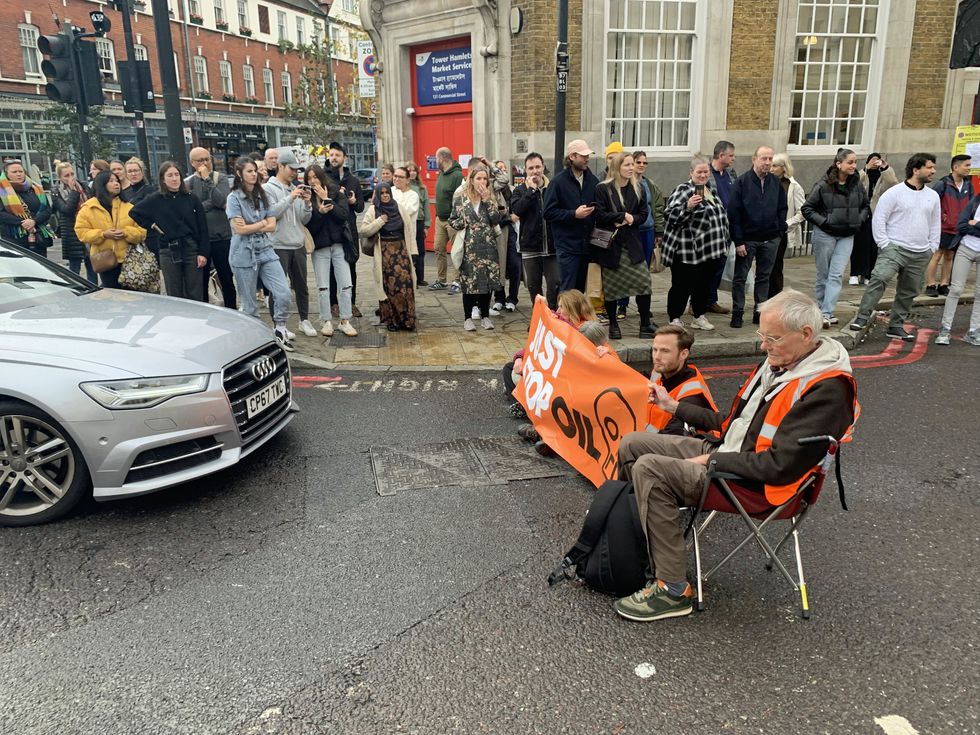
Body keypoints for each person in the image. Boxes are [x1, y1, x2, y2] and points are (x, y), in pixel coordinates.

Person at [614, 289, 857, 622]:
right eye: (762, 335)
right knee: (632, 443)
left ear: (806, 335)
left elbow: (779, 466)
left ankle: (672, 590)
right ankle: (645, 542)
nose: (762, 346)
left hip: (756, 486)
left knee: (650, 469)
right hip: (733, 456)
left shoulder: (827, 390)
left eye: (772, 337)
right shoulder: (782, 362)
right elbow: (732, 425)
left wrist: (711, 462)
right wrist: (674, 406)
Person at [848, 153, 941, 340]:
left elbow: (935, 223)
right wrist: (885, 244)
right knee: (880, 277)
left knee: (909, 291)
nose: (933, 171)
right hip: (894, 248)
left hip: (921, 252)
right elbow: (879, 219)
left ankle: (896, 325)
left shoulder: (933, 196)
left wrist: (932, 247)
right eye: (929, 167)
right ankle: (862, 316)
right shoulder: (894, 193)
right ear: (916, 170)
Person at [225, 158, 294, 352]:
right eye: (249, 171)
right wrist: (262, 224)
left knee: (283, 292)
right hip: (243, 254)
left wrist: (255, 225)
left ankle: (280, 329)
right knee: (249, 305)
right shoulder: (234, 198)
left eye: (255, 170)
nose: (254, 174)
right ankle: (253, 344)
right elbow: (239, 230)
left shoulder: (262, 194)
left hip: (265, 249)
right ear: (239, 174)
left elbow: (272, 225)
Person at [801, 148, 871, 328]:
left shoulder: (857, 184)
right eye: (850, 162)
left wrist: (858, 220)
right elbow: (807, 208)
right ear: (838, 164)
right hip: (825, 235)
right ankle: (820, 309)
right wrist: (824, 222)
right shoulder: (823, 185)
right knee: (823, 274)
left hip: (847, 236)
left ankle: (827, 312)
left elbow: (865, 206)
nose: (854, 166)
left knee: (836, 275)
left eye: (855, 162)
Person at [661, 155, 730, 332]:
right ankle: (675, 318)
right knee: (681, 286)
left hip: (710, 251)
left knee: (704, 286)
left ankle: (699, 316)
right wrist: (688, 206)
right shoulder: (684, 189)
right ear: (691, 172)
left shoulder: (710, 190)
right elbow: (671, 216)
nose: (702, 175)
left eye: (706, 171)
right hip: (687, 251)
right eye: (699, 171)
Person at [592, 151, 654, 340]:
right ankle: (614, 326)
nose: (631, 168)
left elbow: (644, 214)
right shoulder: (603, 188)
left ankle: (645, 325)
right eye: (627, 165)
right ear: (617, 167)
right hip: (612, 246)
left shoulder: (638, 188)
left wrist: (631, 219)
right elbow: (599, 215)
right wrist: (620, 216)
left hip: (633, 245)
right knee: (612, 288)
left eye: (631, 165)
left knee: (644, 283)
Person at [727, 146, 788, 328]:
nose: (768, 163)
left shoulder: (775, 183)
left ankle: (759, 312)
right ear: (754, 159)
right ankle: (737, 312)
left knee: (764, 277)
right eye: (764, 159)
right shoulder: (742, 182)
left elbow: (781, 208)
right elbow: (734, 213)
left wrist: (778, 230)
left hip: (770, 239)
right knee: (740, 277)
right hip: (747, 239)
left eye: (770, 159)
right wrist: (738, 241)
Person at [130, 161, 210, 300]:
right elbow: (134, 212)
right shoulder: (155, 199)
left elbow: (203, 228)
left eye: (176, 175)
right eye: (170, 175)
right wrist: (152, 226)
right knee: (174, 292)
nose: (174, 179)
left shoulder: (192, 199)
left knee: (195, 291)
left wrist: (203, 252)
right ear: (163, 179)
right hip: (168, 249)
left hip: (191, 248)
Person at [263, 149, 315, 337]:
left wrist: (308, 204)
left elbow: (303, 219)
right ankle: (278, 324)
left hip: (297, 243)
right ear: (280, 166)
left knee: (301, 285)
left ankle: (304, 320)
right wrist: (290, 197)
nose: (294, 173)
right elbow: (272, 213)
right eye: (291, 169)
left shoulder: (296, 187)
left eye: (296, 169)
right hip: (278, 244)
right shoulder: (269, 188)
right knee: (278, 287)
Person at [447, 165, 504, 331]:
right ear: (471, 180)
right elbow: (452, 219)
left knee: (487, 283)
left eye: (484, 179)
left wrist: (487, 200)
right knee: (469, 283)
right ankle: (467, 318)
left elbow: (495, 220)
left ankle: (485, 316)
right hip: (470, 248)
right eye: (478, 178)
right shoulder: (461, 198)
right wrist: (461, 223)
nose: (482, 181)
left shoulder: (490, 199)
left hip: (488, 248)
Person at [305, 164, 357, 337]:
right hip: (320, 247)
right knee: (323, 286)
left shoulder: (335, 191)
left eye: (315, 177)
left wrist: (328, 200)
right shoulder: (307, 197)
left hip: (338, 244)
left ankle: (345, 321)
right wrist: (319, 211)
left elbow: (344, 215)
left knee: (345, 284)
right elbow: (309, 226)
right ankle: (326, 321)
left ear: (321, 177)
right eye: (309, 178)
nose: (313, 181)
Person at [358, 181, 418, 331]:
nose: (385, 195)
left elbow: (409, 230)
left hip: (401, 251)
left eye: (387, 193)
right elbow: (364, 230)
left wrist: (412, 252)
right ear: (378, 194)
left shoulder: (399, 207)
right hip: (384, 254)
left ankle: (408, 320)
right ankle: (392, 321)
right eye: (382, 193)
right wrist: (379, 221)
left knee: (406, 286)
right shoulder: (373, 210)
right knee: (389, 287)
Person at [74, 170, 146, 289]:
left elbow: (142, 231)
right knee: (113, 294)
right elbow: (81, 232)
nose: (116, 184)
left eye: (117, 181)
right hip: (105, 261)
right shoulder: (88, 208)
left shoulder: (129, 207)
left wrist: (126, 232)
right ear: (101, 185)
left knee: (133, 295)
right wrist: (103, 234)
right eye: (111, 181)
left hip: (130, 260)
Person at [544, 139, 599, 293]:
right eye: (583, 155)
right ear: (572, 157)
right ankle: (564, 317)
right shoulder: (557, 182)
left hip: (587, 246)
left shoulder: (593, 181)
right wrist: (574, 214)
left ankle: (578, 317)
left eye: (588, 155)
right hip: (567, 246)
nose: (587, 158)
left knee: (580, 290)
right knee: (567, 289)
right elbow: (548, 212)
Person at [185, 147, 236, 309]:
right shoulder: (189, 183)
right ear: (192, 163)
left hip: (222, 237)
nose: (205, 163)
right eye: (200, 160)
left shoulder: (220, 178)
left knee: (226, 279)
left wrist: (207, 180)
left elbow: (221, 201)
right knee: (201, 281)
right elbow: (189, 209)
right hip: (201, 241)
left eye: (207, 159)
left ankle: (231, 310)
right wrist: (207, 205)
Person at [645, 325, 718, 436]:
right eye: (655, 349)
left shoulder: (693, 397)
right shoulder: (660, 372)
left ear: (683, 354)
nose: (657, 357)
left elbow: (672, 437)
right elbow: (628, 377)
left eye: (665, 351)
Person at [511, 152, 559, 309]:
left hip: (552, 247)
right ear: (525, 170)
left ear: (543, 167)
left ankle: (552, 318)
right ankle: (539, 319)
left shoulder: (552, 187)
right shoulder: (520, 190)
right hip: (530, 246)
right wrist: (530, 191)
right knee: (534, 287)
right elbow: (517, 210)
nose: (535, 171)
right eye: (531, 168)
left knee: (554, 285)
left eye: (538, 167)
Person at [325, 142, 364, 318]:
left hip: (349, 230)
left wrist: (353, 202)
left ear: (344, 158)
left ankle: (351, 302)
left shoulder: (353, 181)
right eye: (331, 155)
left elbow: (360, 208)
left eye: (337, 155)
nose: (334, 158)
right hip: (331, 229)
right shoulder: (324, 178)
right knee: (332, 269)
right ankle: (334, 303)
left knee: (351, 266)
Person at [935, 189, 980, 346]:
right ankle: (945, 329)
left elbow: (968, 225)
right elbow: (961, 225)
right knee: (955, 289)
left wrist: (976, 224)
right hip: (966, 249)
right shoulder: (974, 201)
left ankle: (974, 331)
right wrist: (971, 226)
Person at [926, 154, 974, 296]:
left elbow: (971, 205)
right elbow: (932, 203)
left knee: (949, 256)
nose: (969, 169)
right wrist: (942, 218)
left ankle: (944, 284)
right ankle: (930, 284)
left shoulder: (968, 185)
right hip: (943, 227)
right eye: (967, 165)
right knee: (937, 254)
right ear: (955, 167)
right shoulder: (943, 184)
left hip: (958, 229)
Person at [851, 153, 899, 285]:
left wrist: (885, 168)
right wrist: (865, 168)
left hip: (876, 214)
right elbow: (853, 182)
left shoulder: (883, 176)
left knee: (873, 246)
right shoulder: (863, 174)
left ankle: (868, 274)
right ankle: (855, 273)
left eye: (877, 160)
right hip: (861, 213)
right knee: (858, 245)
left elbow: (893, 184)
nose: (875, 162)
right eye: (873, 160)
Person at [50, 161, 96, 283]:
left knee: (92, 264)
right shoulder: (56, 191)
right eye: (66, 175)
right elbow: (67, 210)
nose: (71, 178)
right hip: (71, 231)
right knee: (74, 266)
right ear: (60, 177)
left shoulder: (84, 186)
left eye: (72, 174)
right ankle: (76, 290)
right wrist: (73, 192)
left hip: (88, 228)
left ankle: (93, 288)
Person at [704, 141, 736, 315]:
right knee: (706, 266)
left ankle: (711, 300)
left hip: (728, 227)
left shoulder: (731, 173)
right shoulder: (706, 174)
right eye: (731, 155)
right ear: (721, 155)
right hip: (711, 229)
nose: (733, 158)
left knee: (719, 266)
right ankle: (697, 301)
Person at [0, 160, 55, 256]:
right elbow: (2, 214)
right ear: (6, 174)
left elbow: (47, 210)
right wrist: (23, 222)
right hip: (14, 238)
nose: (19, 174)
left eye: (21, 171)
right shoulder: (2, 191)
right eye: (14, 172)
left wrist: (34, 221)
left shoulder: (36, 188)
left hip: (37, 235)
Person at [769, 153, 805, 298]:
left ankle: (776, 296)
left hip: (781, 231)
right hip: (766, 230)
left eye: (775, 166)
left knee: (776, 265)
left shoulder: (793, 186)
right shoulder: (768, 182)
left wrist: (786, 224)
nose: (771, 169)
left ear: (784, 168)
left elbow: (802, 211)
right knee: (765, 266)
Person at [429, 147, 464, 293]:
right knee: (438, 248)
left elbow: (462, 199)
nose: (435, 161)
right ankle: (442, 280)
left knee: (456, 251)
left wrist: (456, 218)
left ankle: (457, 281)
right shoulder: (441, 174)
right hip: (440, 219)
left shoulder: (457, 176)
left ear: (442, 158)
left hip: (453, 220)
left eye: (436, 158)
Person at [491, 159, 520, 313]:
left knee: (515, 265)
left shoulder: (513, 189)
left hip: (513, 233)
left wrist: (510, 216)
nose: (502, 171)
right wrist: (507, 217)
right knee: (499, 265)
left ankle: (513, 298)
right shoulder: (492, 191)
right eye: (498, 169)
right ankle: (499, 298)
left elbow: (519, 210)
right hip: (499, 233)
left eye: (504, 168)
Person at [632, 150, 666, 267]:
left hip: (648, 230)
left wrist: (659, 232)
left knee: (646, 264)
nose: (642, 165)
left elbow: (658, 208)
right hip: (633, 230)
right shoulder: (626, 183)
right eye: (638, 162)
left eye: (645, 163)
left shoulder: (650, 184)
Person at [406, 161, 430, 286]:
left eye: (414, 170)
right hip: (408, 223)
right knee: (409, 250)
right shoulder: (404, 188)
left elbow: (426, 207)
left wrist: (427, 225)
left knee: (420, 251)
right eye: (409, 170)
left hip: (419, 222)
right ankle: (409, 277)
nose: (412, 172)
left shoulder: (422, 188)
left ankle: (420, 278)